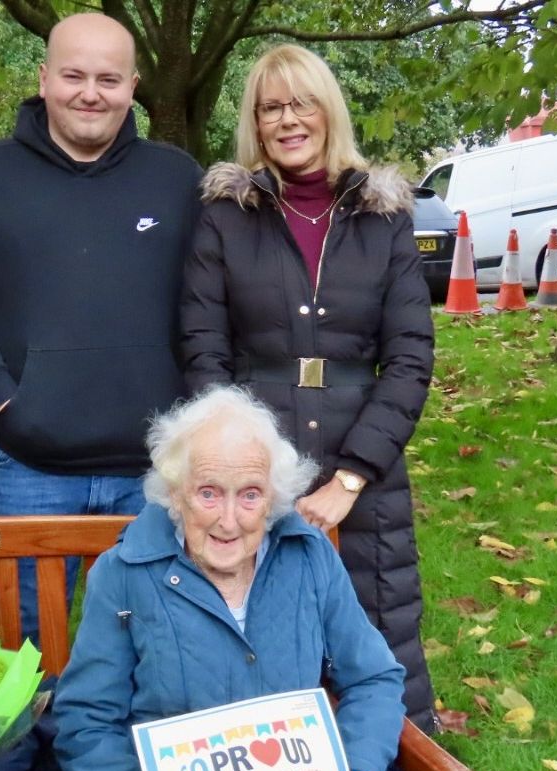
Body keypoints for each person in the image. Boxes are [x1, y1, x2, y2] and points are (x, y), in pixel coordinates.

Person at [180, 44, 438, 732]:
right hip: (256, 463)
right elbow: (204, 352)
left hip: (364, 464)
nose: (288, 120)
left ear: (328, 110)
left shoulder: (383, 219)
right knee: (257, 635)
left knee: (379, 633)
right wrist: (246, 471)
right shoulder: (226, 217)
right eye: (271, 108)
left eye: (302, 103)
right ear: (255, 123)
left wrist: (349, 480)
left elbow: (410, 358)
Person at [0, 13, 202, 642]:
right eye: (74, 75)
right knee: (22, 652)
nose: (90, 93)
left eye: (108, 78)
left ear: (132, 87)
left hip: (155, 468)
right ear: (45, 78)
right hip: (31, 464)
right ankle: (28, 746)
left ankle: (125, 745)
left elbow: (210, 299)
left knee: (157, 643)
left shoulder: (177, 179)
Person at [54, 386, 409, 771]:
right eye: (208, 492)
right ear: (175, 493)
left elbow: (373, 679)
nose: (228, 520)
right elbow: (88, 721)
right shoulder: (122, 574)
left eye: (249, 495)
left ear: (273, 500)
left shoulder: (309, 556)